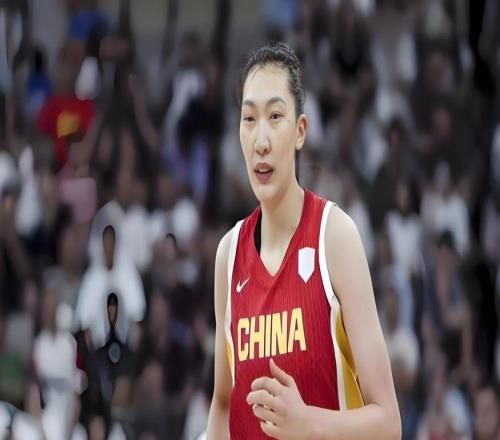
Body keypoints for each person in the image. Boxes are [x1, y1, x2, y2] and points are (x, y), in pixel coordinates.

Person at [206, 42, 400, 439]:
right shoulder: (228, 254)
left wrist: (307, 423)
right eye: (249, 119)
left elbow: (388, 423)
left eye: (275, 116)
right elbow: (223, 402)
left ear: (300, 131)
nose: (261, 140)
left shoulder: (335, 236)